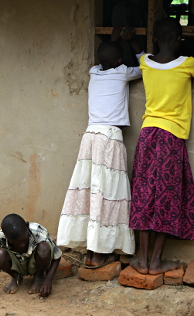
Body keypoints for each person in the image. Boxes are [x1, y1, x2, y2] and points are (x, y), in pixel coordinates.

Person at [129, 17, 194, 275]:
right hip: (171, 137)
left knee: (143, 193)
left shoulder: (145, 63)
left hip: (147, 134)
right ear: (179, 40)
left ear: (154, 39)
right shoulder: (188, 64)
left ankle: (141, 260)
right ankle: (156, 262)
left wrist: (131, 39)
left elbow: (140, 53)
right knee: (167, 196)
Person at [57, 32, 143, 268]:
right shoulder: (123, 71)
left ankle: (90, 252)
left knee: (91, 192)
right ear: (119, 61)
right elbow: (146, 64)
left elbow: (104, 60)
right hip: (109, 137)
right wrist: (134, 46)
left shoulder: (94, 72)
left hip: (90, 136)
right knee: (107, 193)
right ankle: (100, 252)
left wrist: (113, 39)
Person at [0, 214, 62, 300]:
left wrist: (48, 279)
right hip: (17, 266)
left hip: (36, 263)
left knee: (44, 248)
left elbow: (57, 256)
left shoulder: (38, 231)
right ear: (6, 236)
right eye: (15, 242)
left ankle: (38, 277)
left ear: (27, 226)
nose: (21, 245)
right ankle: (16, 277)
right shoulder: (0, 237)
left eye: (24, 240)